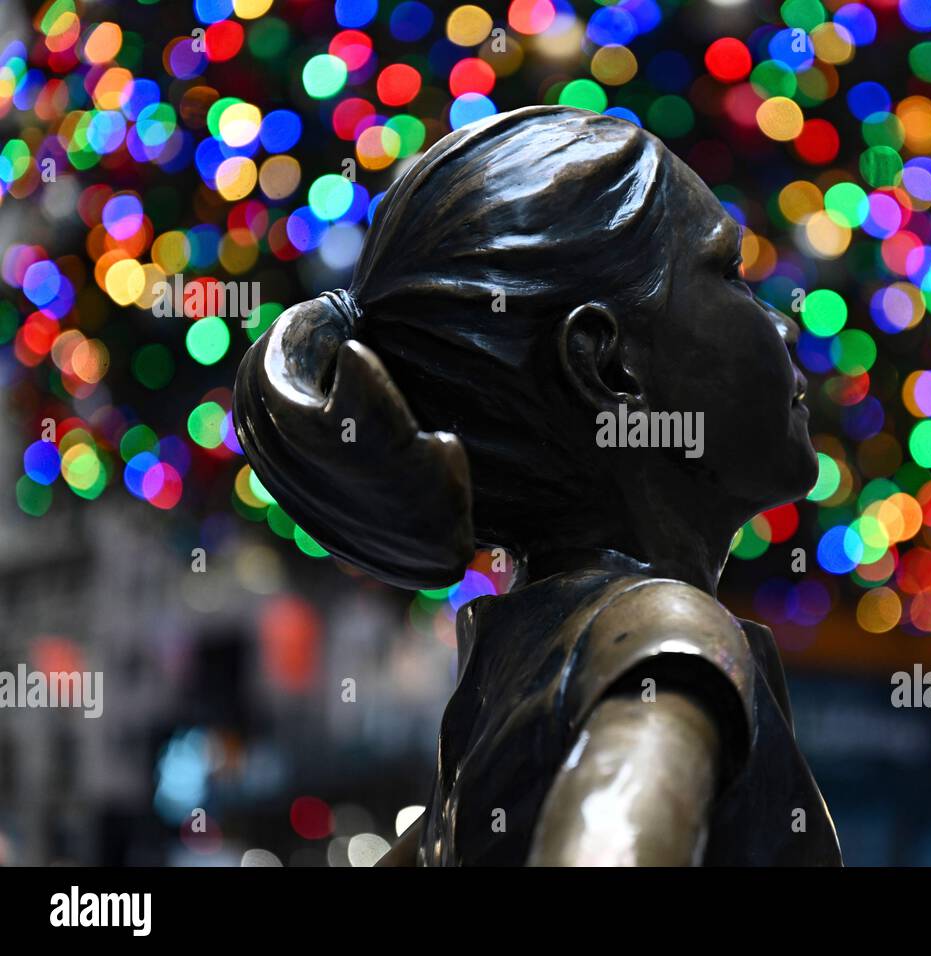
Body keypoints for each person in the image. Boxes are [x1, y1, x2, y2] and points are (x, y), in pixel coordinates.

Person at [234, 105, 842, 866]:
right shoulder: (665, 632)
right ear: (609, 367)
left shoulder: (514, 679)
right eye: (730, 274)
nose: (783, 327)